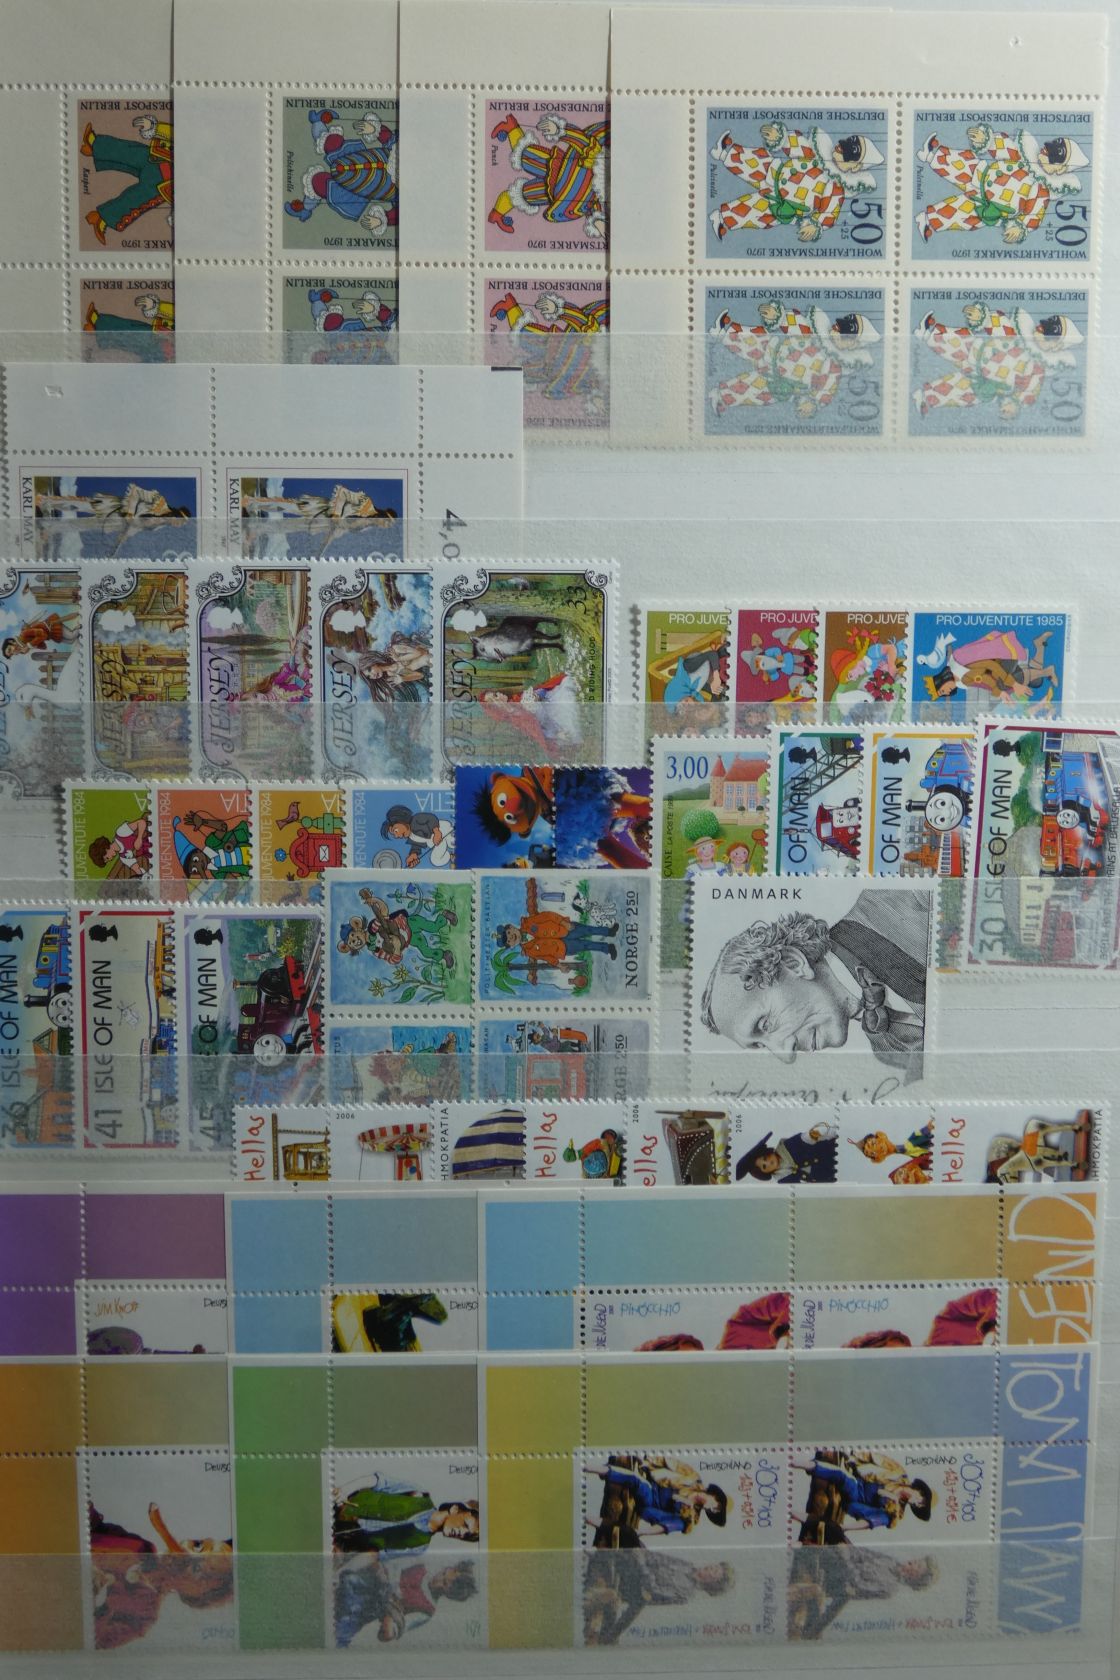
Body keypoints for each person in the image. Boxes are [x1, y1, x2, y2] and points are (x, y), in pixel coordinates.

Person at [700, 890, 930, 1077]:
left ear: (794, 963)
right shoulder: (888, 1049)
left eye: (765, 1024)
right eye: (761, 1045)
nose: (786, 1055)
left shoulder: (909, 897)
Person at [709, 122, 883, 244]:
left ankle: (722, 219)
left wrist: (815, 225)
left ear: (855, 166)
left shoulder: (835, 188)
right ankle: (724, 152)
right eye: (850, 140)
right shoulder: (819, 151)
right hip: (775, 172)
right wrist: (781, 138)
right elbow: (798, 144)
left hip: (784, 204)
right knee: (754, 161)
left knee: (755, 210)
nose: (843, 145)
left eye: (853, 150)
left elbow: (828, 211)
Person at [916, 125, 1088, 247]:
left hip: (991, 206)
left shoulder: (1041, 190)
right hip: (982, 175)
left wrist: (1020, 228)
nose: (1048, 148)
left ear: (1060, 169)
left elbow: (1033, 213)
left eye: (1058, 152)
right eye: (1055, 143)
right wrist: (987, 140)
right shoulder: (1026, 154)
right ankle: (931, 154)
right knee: (960, 163)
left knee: (961, 213)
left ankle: (927, 220)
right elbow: (1004, 147)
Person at [81, 115, 172, 246]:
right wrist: (155, 127)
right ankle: (95, 145)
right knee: (132, 152)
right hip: (162, 155)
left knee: (137, 197)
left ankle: (101, 218)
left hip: (165, 184)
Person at [334, 1483, 479, 1555]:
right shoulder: (418, 1495)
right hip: (338, 1506)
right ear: (455, 1509)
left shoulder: (420, 1546)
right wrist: (344, 1490)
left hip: (340, 1540)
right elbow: (378, 1481)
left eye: (466, 1535)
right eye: (465, 1525)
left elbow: (376, 1554)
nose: (462, 1533)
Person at [496, 908, 618, 966]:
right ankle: (607, 948)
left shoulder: (529, 922)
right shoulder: (529, 951)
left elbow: (548, 915)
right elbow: (546, 957)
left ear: (511, 927)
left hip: (565, 929)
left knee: (587, 930)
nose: (511, 937)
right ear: (511, 946)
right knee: (586, 945)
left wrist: (563, 922)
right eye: (509, 941)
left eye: (508, 933)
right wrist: (559, 966)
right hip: (563, 948)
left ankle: (609, 931)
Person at [736, 1122, 838, 1184]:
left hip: (835, 1151)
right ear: (765, 1173)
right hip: (833, 1176)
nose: (768, 1163)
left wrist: (812, 1135)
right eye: (764, 1166)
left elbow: (806, 1139)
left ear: (767, 1152)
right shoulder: (783, 1180)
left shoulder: (788, 1146)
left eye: (765, 1158)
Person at [379, 805, 454, 868]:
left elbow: (431, 818)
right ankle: (452, 856)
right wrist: (413, 855)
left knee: (452, 842)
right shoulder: (411, 837)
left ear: (401, 821)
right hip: (437, 843)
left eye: (395, 831)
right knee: (435, 860)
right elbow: (416, 846)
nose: (396, 836)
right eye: (394, 835)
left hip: (442, 830)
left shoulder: (416, 819)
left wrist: (437, 832)